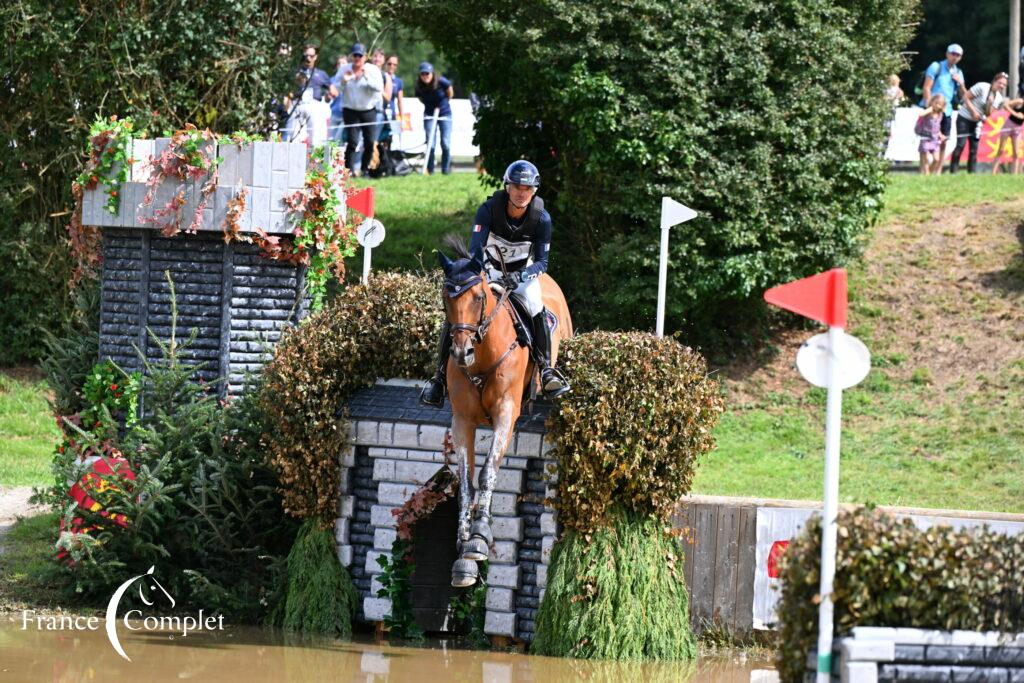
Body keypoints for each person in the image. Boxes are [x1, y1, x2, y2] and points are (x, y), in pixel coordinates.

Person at [420, 160, 570, 407]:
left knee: (536, 306)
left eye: (527, 189)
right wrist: (483, 275)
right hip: (488, 270)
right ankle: (439, 378)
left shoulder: (542, 219)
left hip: (521, 275)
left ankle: (546, 370)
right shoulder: (488, 210)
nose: (522, 193)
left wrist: (520, 277)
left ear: (533, 192)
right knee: (461, 311)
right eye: (517, 187)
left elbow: (542, 263)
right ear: (507, 187)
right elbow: (475, 250)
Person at [920, 44, 971, 174]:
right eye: (953, 54)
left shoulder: (958, 72)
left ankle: (938, 171)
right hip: (932, 110)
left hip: (946, 111)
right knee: (927, 141)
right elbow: (926, 88)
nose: (955, 57)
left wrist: (961, 83)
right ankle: (924, 171)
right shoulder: (936, 66)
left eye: (958, 55)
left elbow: (964, 95)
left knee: (943, 141)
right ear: (947, 54)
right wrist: (929, 109)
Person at [340, 42, 383, 177]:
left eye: (360, 55)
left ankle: (365, 170)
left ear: (365, 57)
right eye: (355, 55)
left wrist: (367, 77)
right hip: (350, 110)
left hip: (368, 110)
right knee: (352, 142)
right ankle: (349, 171)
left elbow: (379, 88)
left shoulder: (373, 70)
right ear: (352, 57)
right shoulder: (344, 69)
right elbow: (335, 87)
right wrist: (344, 81)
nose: (357, 58)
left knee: (370, 142)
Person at [950, 73, 1004, 174]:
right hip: (964, 118)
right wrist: (973, 112)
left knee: (974, 149)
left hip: (977, 123)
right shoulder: (982, 86)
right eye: (1000, 83)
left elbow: (989, 114)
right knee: (960, 145)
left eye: (1004, 85)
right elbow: (965, 97)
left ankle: (972, 173)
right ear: (994, 81)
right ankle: (953, 172)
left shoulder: (999, 98)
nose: (1001, 86)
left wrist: (989, 105)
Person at [415, 62, 454, 174]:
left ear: (432, 73)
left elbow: (450, 92)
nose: (425, 76)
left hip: (445, 113)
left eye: (427, 73)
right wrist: (429, 106)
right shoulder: (419, 85)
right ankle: (430, 170)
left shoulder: (442, 81)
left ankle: (445, 170)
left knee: (445, 143)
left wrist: (444, 102)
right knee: (430, 145)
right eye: (422, 74)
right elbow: (420, 98)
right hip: (429, 114)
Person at [915, 94, 946, 175]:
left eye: (939, 104)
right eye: (935, 103)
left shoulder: (940, 115)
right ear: (932, 102)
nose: (937, 105)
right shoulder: (930, 111)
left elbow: (937, 127)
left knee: (936, 159)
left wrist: (940, 134)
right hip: (925, 138)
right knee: (925, 159)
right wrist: (930, 108)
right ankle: (926, 174)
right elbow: (921, 114)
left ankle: (929, 173)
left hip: (935, 140)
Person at [992, 98, 1024, 175]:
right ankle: (993, 172)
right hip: (1008, 125)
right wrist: (1015, 114)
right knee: (1001, 149)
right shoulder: (1020, 101)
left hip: (1017, 129)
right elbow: (1005, 105)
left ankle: (1014, 175)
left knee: (1016, 152)